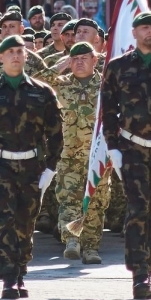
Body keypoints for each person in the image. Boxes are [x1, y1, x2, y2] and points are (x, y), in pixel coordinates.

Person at [0, 35, 63, 300]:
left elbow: (56, 134)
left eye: (20, 52)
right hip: (0, 166)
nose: (16, 56)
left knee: (26, 222)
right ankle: (8, 277)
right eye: (10, 52)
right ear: (1, 58)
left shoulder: (43, 93)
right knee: (3, 221)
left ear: (26, 56)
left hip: (32, 165)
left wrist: (50, 168)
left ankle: (20, 271)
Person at [101, 10, 151, 300]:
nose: (150, 32)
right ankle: (139, 274)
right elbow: (108, 110)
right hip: (132, 147)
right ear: (134, 33)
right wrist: (113, 147)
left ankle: (149, 261)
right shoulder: (118, 67)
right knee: (138, 209)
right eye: (144, 28)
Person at [55, 41, 108, 265]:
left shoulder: (106, 86)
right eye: (74, 59)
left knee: (96, 203)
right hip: (68, 156)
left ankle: (91, 248)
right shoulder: (60, 85)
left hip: (97, 157)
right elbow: (34, 80)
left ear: (95, 60)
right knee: (69, 200)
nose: (79, 62)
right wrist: (59, 66)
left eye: (84, 58)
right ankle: (72, 241)